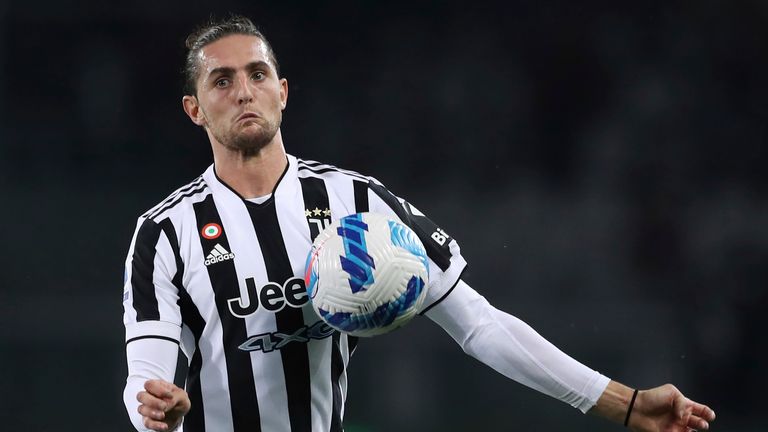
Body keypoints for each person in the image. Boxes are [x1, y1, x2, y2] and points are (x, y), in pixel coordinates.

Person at [122, 15, 716, 432]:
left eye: (256, 74)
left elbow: (479, 324)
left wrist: (624, 403)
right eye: (221, 81)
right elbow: (146, 377)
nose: (242, 91)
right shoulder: (165, 233)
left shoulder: (357, 200)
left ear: (282, 91)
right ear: (194, 109)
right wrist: (157, 415)